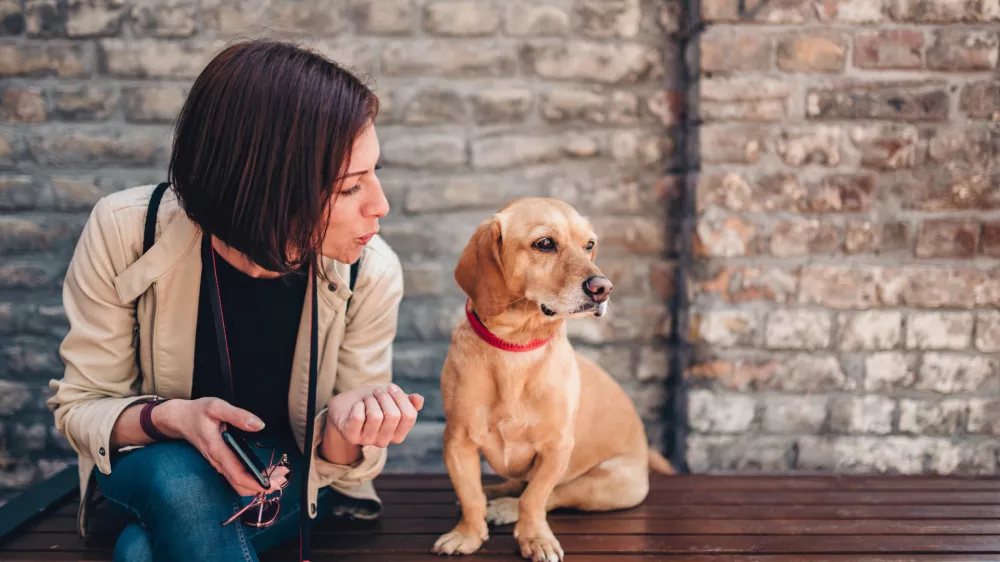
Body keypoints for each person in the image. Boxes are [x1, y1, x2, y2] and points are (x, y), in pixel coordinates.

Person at [46, 38, 423, 562]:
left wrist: (346, 426)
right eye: (348, 188)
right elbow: (81, 407)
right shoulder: (128, 232)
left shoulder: (371, 269)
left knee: (138, 553)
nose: (380, 206)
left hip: (282, 479)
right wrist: (173, 418)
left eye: (374, 174)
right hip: (149, 465)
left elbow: (338, 463)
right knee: (178, 473)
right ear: (266, 184)